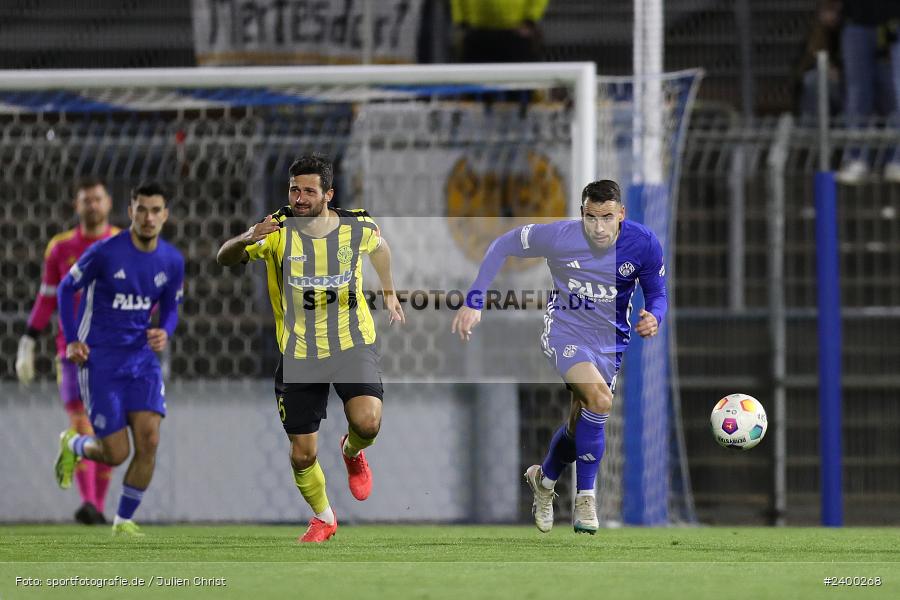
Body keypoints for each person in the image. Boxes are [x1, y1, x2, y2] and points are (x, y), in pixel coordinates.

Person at [451, 180, 667, 534]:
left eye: (607, 218)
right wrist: (476, 299)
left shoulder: (643, 244)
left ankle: (545, 480)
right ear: (582, 213)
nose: (598, 227)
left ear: (621, 215)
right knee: (600, 399)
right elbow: (502, 244)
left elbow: (658, 294)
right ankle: (585, 501)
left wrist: (653, 317)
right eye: (591, 217)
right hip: (564, 333)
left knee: (578, 426)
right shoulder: (559, 236)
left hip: (609, 343)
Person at [216, 154, 405, 543]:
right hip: (300, 353)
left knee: (368, 422)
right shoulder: (276, 230)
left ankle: (352, 451)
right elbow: (225, 258)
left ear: (328, 194)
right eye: (293, 189)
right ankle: (324, 518)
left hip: (352, 343)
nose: (299, 198)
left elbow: (381, 248)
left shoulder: (357, 226)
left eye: (308, 191)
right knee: (302, 455)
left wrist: (389, 292)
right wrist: (246, 238)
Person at [53, 182, 184, 537]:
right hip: (101, 363)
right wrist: (73, 339)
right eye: (141, 209)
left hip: (141, 361)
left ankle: (123, 520)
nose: (148, 217)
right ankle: (75, 444)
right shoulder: (106, 252)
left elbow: (172, 305)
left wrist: (166, 330)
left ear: (165, 215)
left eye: (156, 210)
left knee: (150, 441)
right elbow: (67, 288)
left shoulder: (172, 260)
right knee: (115, 454)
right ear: (130, 212)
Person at [16, 178, 119, 525]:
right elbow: (47, 297)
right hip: (72, 351)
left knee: (109, 430)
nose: (92, 205)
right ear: (77, 206)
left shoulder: (122, 243)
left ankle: (98, 506)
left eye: (97, 199)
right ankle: (89, 503)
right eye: (86, 200)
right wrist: (28, 341)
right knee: (81, 421)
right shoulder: (60, 248)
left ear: (108, 203)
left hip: (114, 352)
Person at [451, 0, 549, 63]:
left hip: (517, 34)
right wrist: (462, 21)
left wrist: (529, 21)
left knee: (517, 87)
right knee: (475, 86)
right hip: (476, 33)